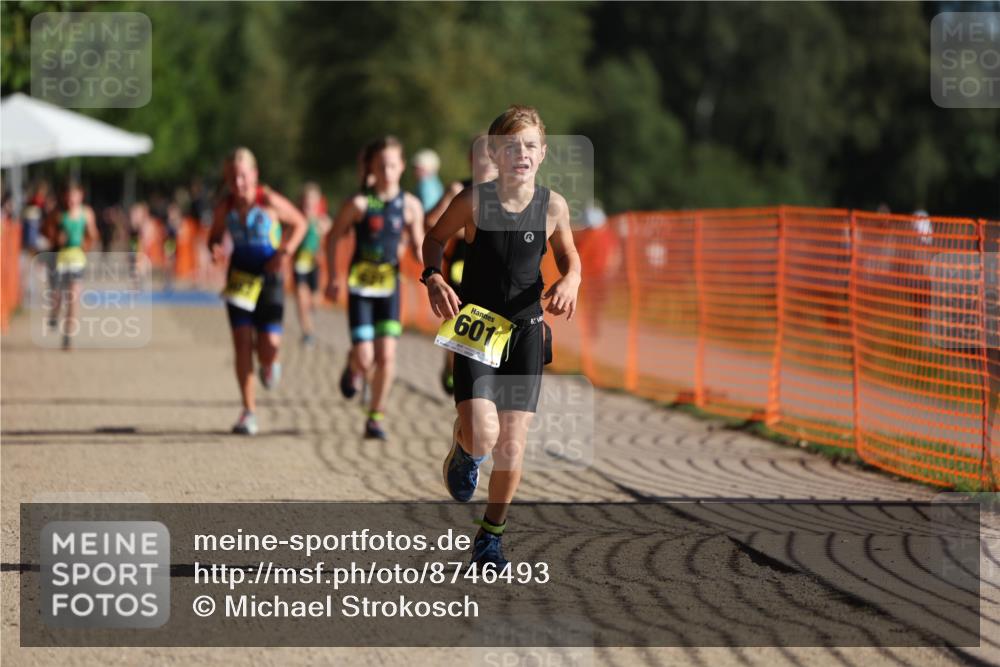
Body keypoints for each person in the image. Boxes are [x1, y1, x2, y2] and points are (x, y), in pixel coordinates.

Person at [421, 106, 581, 568]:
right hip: (478, 326)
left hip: (527, 332)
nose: (521, 154)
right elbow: (434, 240)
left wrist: (572, 280)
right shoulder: (472, 202)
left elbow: (571, 257)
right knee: (484, 435)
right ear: (494, 152)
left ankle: (491, 536)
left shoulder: (553, 206)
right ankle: (465, 444)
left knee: (511, 443)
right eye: (511, 147)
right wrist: (433, 277)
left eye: (530, 146)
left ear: (543, 153)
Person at [324, 136, 425, 440]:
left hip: (391, 285)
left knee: (386, 357)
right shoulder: (358, 204)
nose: (387, 171)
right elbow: (332, 238)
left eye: (393, 165)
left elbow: (420, 244)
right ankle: (353, 364)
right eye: (381, 166)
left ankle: (375, 417)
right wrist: (332, 276)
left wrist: (429, 264)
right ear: (371, 167)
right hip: (361, 287)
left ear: (402, 167)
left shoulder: (410, 205)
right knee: (366, 358)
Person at [208, 147, 307, 436]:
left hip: (270, 276)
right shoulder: (225, 206)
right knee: (241, 344)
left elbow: (299, 223)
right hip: (240, 275)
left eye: (242, 176)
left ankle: (269, 363)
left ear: (254, 174)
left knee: (266, 346)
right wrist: (214, 248)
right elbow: (213, 235)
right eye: (232, 177)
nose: (238, 183)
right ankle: (248, 411)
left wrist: (285, 252)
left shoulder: (269, 200)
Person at [426, 136, 498, 394]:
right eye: (481, 157)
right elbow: (432, 223)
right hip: (460, 265)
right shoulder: (459, 188)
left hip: (493, 272)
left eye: (492, 157)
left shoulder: (506, 195)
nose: (487, 163)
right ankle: (453, 368)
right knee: (459, 318)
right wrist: (469, 230)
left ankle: (473, 378)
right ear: (471, 160)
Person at [41, 181, 98, 350]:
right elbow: (45, 231)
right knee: (57, 295)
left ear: (81, 196)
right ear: (65, 197)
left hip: (78, 258)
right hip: (60, 257)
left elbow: (94, 234)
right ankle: (54, 314)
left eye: (75, 196)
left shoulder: (86, 213)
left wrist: (86, 243)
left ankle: (67, 336)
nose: (71, 200)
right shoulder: (58, 214)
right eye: (69, 196)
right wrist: (56, 238)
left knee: (73, 298)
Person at [293, 182, 331, 346]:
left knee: (314, 301)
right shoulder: (296, 218)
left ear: (318, 202)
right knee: (301, 299)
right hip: (299, 265)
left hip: (314, 266)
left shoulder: (322, 222)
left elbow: (331, 234)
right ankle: (307, 332)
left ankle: (310, 316)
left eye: (312, 200)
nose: (309, 203)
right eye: (306, 200)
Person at [413, 148, 445, 213]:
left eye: (419, 168)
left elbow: (427, 210)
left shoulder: (425, 184)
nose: (415, 171)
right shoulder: (436, 183)